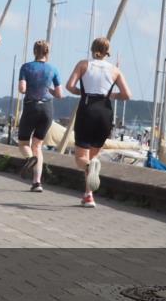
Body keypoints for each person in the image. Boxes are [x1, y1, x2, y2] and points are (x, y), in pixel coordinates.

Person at [64, 36, 131, 208]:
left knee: (81, 158)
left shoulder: (83, 64)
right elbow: (127, 95)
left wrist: (82, 92)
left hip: (87, 110)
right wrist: (111, 95)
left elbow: (69, 86)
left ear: (93, 48)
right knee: (94, 157)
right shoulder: (115, 70)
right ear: (107, 51)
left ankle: (89, 170)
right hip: (105, 112)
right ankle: (88, 196)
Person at [17, 40, 64, 193]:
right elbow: (59, 94)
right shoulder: (53, 69)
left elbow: (22, 89)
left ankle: (30, 158)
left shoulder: (26, 67)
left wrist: (30, 86)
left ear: (34, 51)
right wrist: (47, 88)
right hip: (47, 109)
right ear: (47, 53)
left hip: (31, 107)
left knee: (24, 143)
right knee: (37, 145)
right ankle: (37, 183)